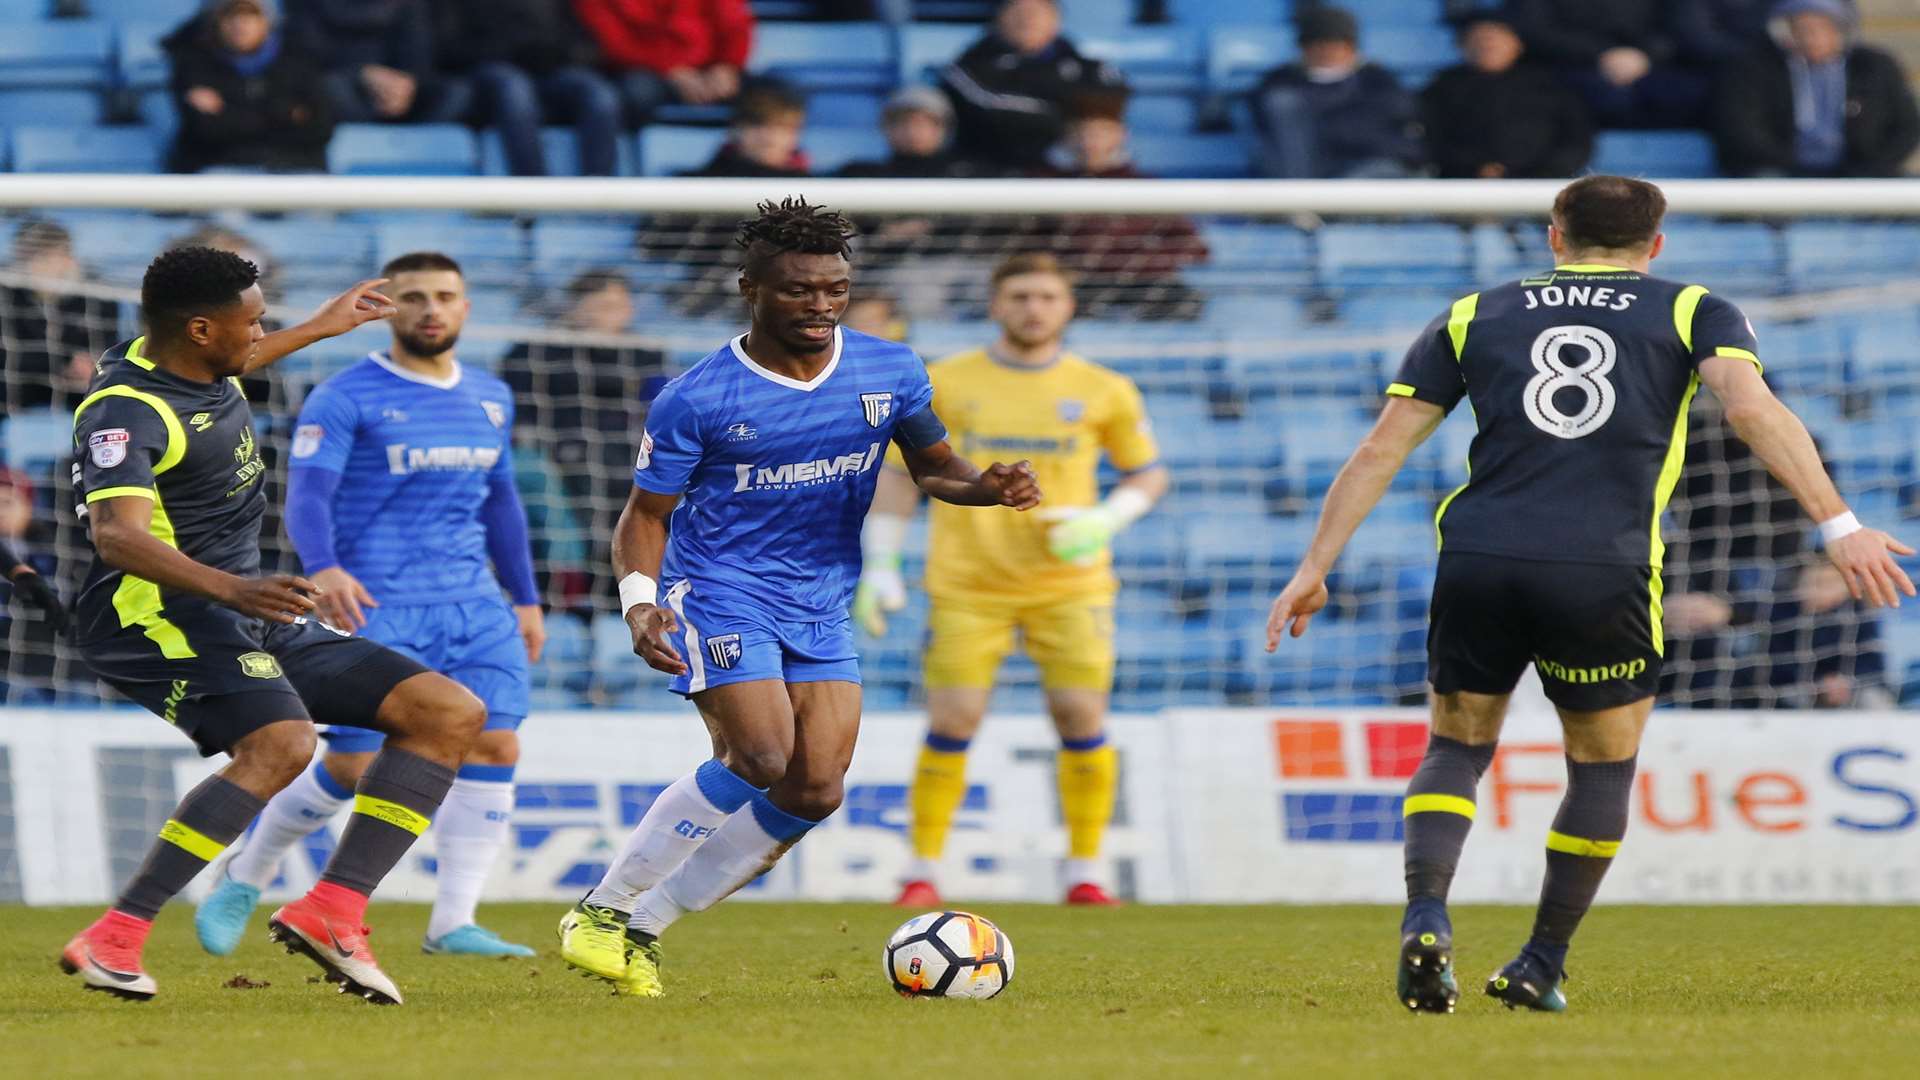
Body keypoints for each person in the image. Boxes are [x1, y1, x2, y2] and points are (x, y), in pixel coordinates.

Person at [1264, 176, 1913, 1014]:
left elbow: (1379, 450)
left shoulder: (1472, 312)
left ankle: (1427, 914)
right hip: (1603, 567)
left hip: (1479, 557)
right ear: (1657, 244)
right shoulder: (1693, 309)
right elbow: (1752, 410)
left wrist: (1313, 566)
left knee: (1457, 747)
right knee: (1600, 763)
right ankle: (1540, 961)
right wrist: (1838, 523)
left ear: (1553, 235)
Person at [554, 198, 1041, 998]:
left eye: (834, 289)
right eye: (798, 291)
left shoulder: (890, 369)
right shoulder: (699, 396)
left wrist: (987, 488)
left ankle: (646, 927)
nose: (819, 306)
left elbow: (936, 468)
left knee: (816, 787)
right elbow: (645, 517)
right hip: (718, 587)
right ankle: (602, 910)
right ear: (751, 287)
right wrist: (640, 604)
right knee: (761, 754)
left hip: (819, 597)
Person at [59, 247, 489, 1004]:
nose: (262, 335)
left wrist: (322, 328)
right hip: (159, 614)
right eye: (252, 322)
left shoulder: (184, 361)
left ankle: (333, 910)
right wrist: (235, 588)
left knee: (446, 712)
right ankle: (114, 936)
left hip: (245, 606)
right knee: (281, 745)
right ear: (199, 330)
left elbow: (241, 353)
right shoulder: (126, 409)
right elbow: (117, 537)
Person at [194, 252, 545, 960]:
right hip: (374, 600)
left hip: (474, 604)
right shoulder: (344, 395)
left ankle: (453, 921)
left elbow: (502, 502)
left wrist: (527, 599)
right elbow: (310, 495)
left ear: (466, 307)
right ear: (388, 307)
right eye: (413, 296)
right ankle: (248, 872)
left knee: (498, 743)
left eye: (445, 295)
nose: (430, 309)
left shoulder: (490, 396)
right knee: (356, 768)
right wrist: (323, 569)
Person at [857, 252, 1167, 907]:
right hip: (967, 585)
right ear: (997, 304)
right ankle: (922, 870)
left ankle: (1086, 870)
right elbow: (900, 474)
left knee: (1080, 717)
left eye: (1048, 296)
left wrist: (1106, 518)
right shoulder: (943, 380)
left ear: (1069, 306)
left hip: (1071, 585)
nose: (1034, 308)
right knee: (954, 718)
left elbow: (1148, 472)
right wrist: (881, 562)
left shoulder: (1105, 388)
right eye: (1021, 295)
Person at [499, 268, 667, 612]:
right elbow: (518, 417)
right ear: (577, 307)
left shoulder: (646, 355)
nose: (617, 312)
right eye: (605, 304)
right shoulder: (536, 353)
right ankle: (567, 584)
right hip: (560, 456)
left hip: (625, 457)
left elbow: (664, 408)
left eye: (622, 304)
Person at [1032, 93, 1209, 320]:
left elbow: (1193, 246)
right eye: (1082, 132)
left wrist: (1142, 262)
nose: (1090, 142)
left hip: (1140, 281)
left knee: (1184, 303)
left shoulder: (1146, 187)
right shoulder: (1044, 184)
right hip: (1074, 283)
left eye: (1100, 132)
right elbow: (1028, 241)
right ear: (1068, 136)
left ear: (1120, 134)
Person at [1712, 0, 1919, 178]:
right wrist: (1791, 164)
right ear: (1785, 31)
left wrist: (1869, 165)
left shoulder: (1875, 66)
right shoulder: (1754, 68)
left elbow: (1907, 126)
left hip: (1862, 172)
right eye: (1802, 28)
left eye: (1822, 27)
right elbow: (1741, 131)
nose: (1812, 36)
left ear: (1841, 29)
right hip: (1779, 172)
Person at [434, 0, 623, 177]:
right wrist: (511, 51)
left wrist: (560, 54)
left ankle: (600, 201)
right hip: (490, 72)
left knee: (599, 95)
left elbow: (579, 39)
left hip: (551, 69)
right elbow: (449, 48)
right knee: (516, 92)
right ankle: (533, 200)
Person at [940, 0, 1127, 172]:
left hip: (1071, 176)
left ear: (1056, 19)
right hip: (988, 177)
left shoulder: (1090, 68)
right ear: (999, 17)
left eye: (1037, 10)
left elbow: (1108, 107)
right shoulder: (968, 68)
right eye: (1018, 10)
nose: (1027, 19)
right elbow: (988, 109)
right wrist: (1063, 112)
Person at [1250, 5, 1422, 179]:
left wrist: (1328, 124)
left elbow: (1383, 131)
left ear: (1352, 49)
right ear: (1303, 49)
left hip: (1367, 166)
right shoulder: (1281, 82)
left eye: (1336, 46)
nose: (1327, 53)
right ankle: (1301, 201)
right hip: (1308, 171)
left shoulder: (1377, 80)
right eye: (1318, 46)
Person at [164, 0, 336, 174]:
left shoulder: (300, 62)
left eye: (250, 15)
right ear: (217, 22)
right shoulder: (196, 64)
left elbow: (321, 129)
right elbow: (205, 131)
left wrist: (228, 112)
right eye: (230, 16)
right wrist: (287, 114)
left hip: (294, 167)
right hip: (223, 168)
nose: (239, 24)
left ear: (267, 22)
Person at [1421, 10, 1592, 180]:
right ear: (1462, 46)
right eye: (1479, 39)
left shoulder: (1552, 85)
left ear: (1518, 44)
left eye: (1497, 38)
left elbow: (1576, 140)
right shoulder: (1442, 87)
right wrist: (1473, 168)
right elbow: (1429, 139)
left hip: (1539, 185)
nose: (1488, 45)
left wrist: (1543, 174)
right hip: (1461, 184)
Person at [1508, 0, 1709, 128]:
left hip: (1646, 66)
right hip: (1570, 66)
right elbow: (1533, 29)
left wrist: (1644, 55)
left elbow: (1677, 27)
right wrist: (1600, 54)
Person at [0, 220, 121, 415]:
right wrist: (64, 362)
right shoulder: (6, 293)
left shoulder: (99, 294)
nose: (35, 265)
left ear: (67, 257)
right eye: (28, 256)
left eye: (44, 256)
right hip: (21, 381)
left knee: (107, 390)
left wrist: (91, 364)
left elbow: (109, 346)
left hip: (76, 384)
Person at [291, 0, 472, 125]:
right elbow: (307, 58)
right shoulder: (312, 6)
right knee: (330, 89)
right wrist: (362, 74)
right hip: (347, 89)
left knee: (456, 92)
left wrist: (405, 83)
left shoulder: (409, 6)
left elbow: (420, 55)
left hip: (404, 91)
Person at [573, 0, 753, 125]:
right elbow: (615, 44)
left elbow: (735, 24)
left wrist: (727, 66)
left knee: (774, 91)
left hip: (711, 68)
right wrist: (671, 70)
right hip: (647, 70)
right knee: (635, 94)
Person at [838, 86, 985, 179]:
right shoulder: (860, 176)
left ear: (944, 129)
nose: (912, 130)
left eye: (923, 123)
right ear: (885, 128)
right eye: (901, 122)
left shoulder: (966, 175)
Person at [682, 83, 810, 178]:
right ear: (735, 130)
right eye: (759, 125)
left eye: (783, 128)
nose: (770, 138)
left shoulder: (819, 191)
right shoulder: (690, 187)